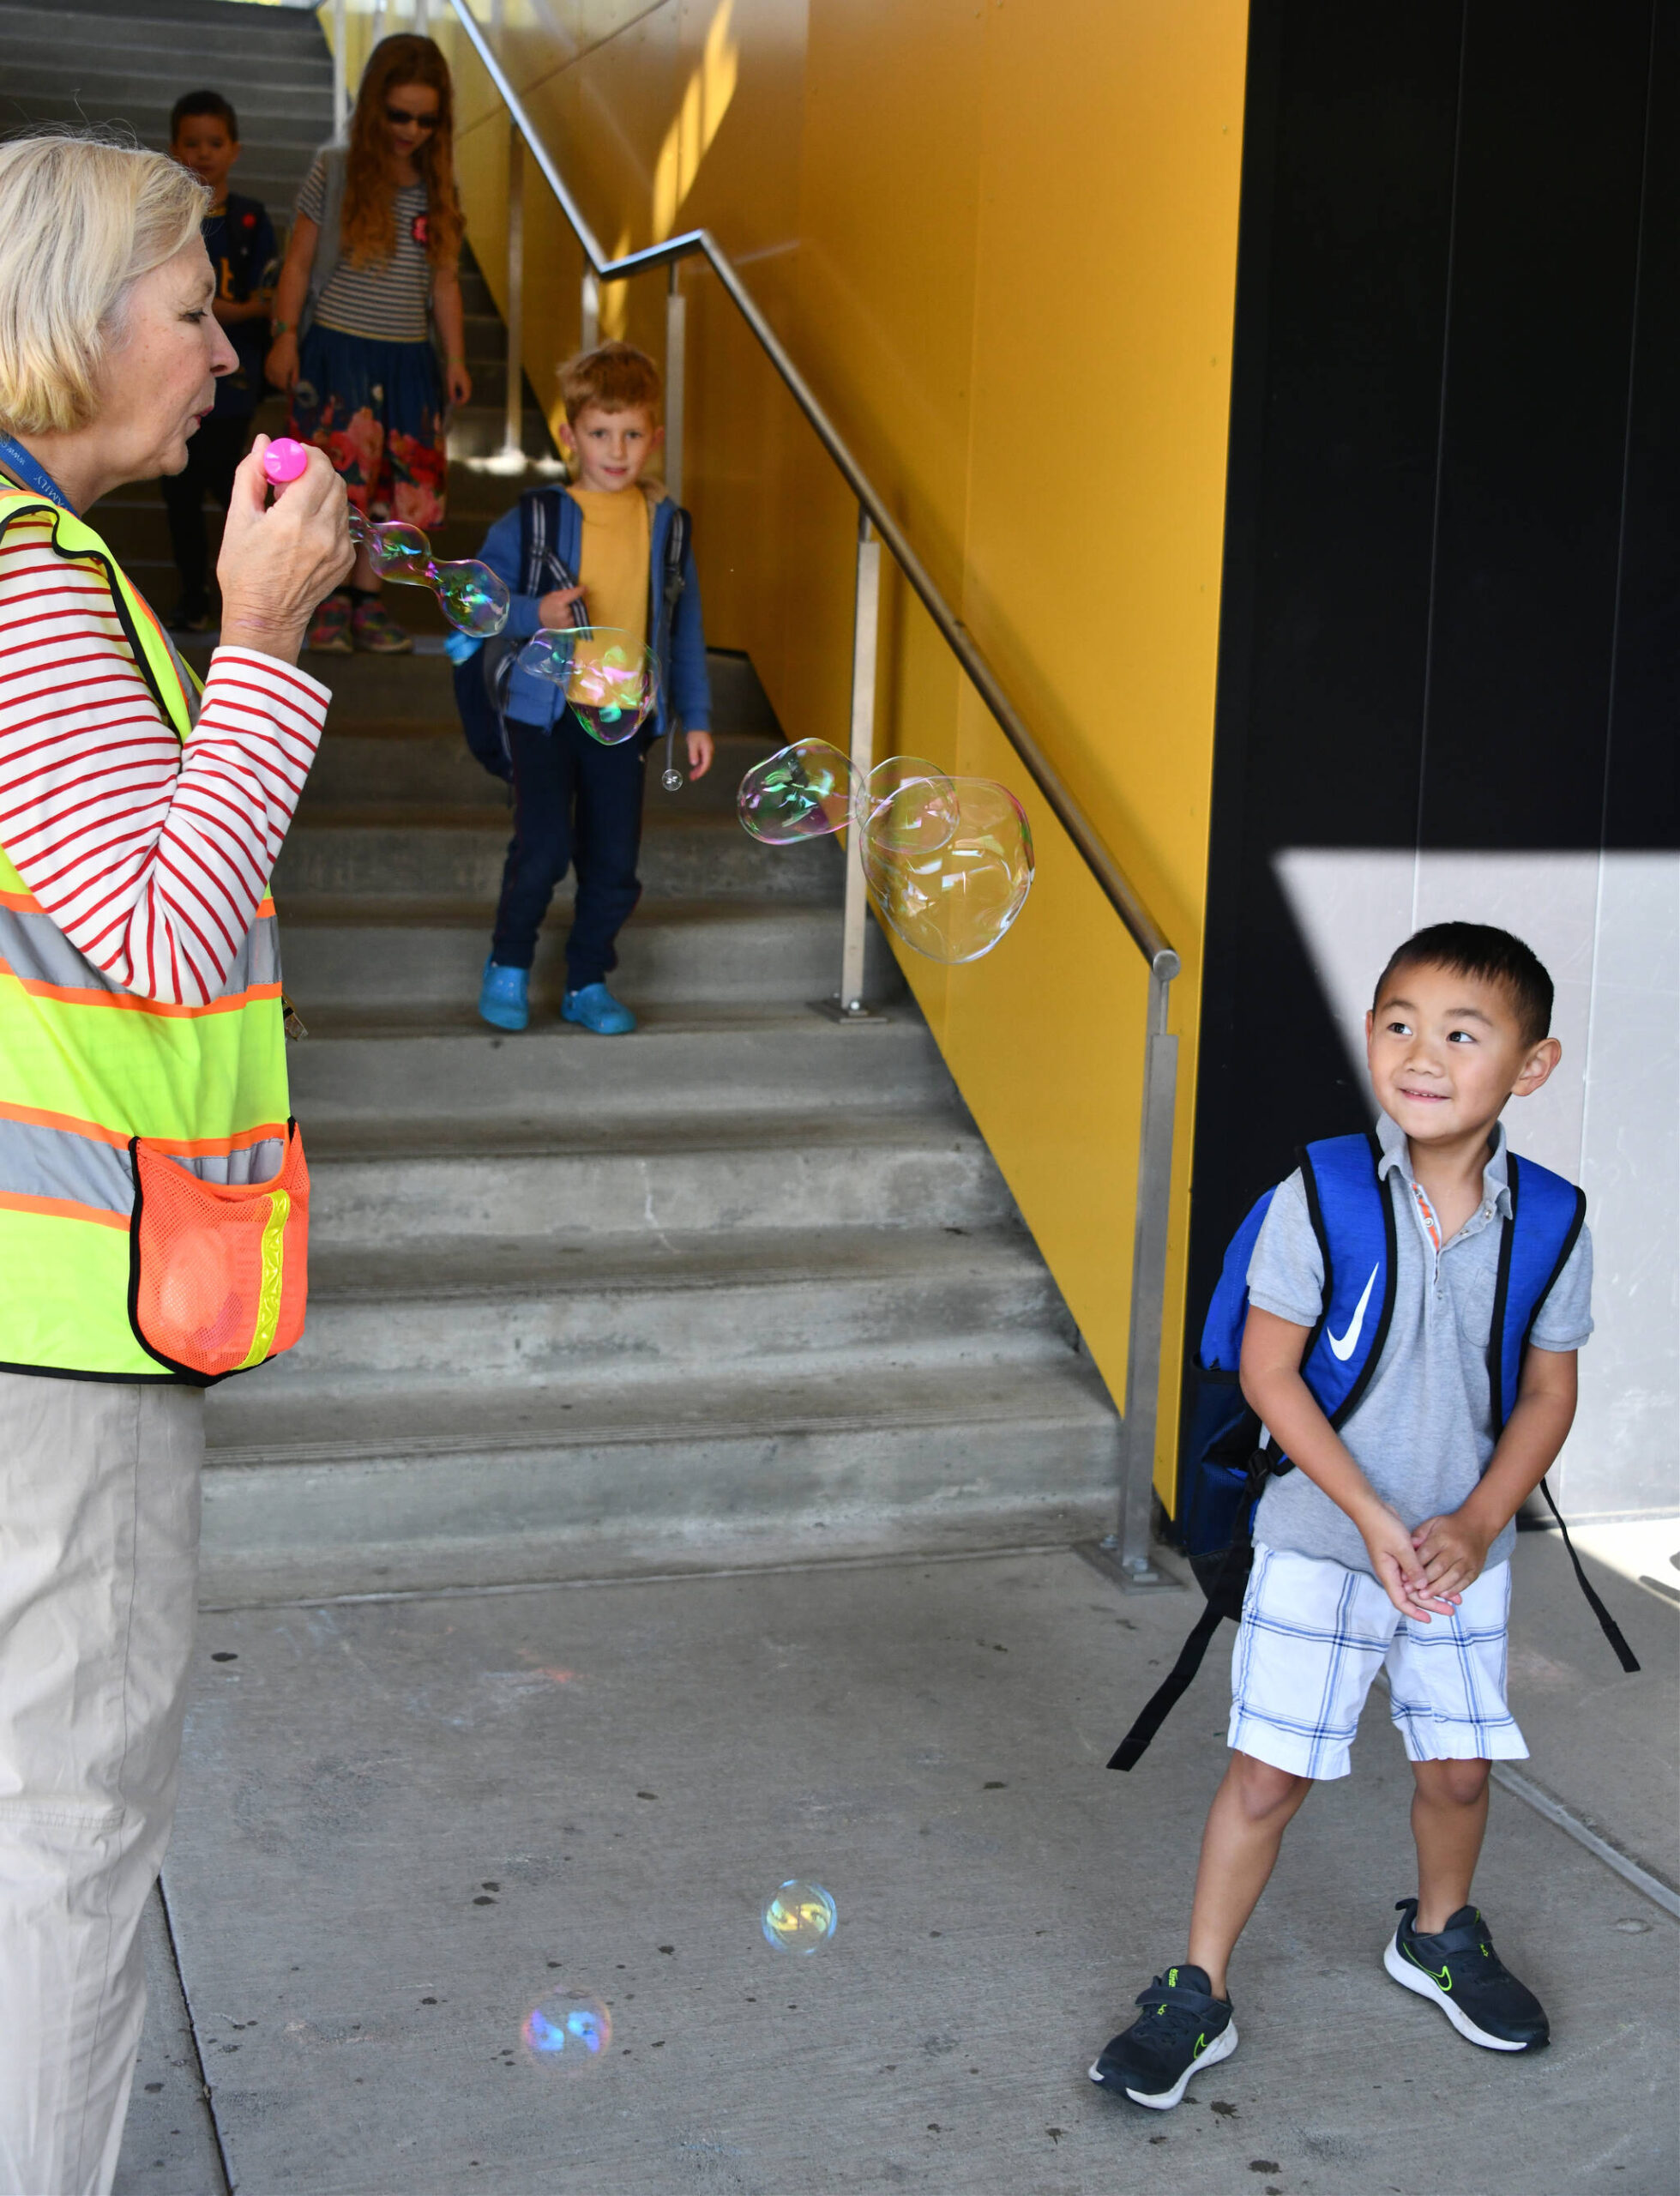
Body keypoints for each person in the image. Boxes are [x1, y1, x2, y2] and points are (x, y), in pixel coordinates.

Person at [0, 135, 350, 2195]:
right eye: (195, 308)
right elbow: (162, 922)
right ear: (67, 309)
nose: (228, 354)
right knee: (66, 1823)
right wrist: (264, 638)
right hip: (60, 1326)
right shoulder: (29, 585)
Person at [1091, 924, 1593, 2110]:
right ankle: (1195, 1991)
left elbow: (1547, 1390)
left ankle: (1435, 1934)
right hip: (1321, 1542)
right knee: (1265, 1777)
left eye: (1459, 1034)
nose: (1419, 1053)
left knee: (1458, 1772)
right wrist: (1368, 1514)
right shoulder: (1314, 1196)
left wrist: (1474, 1522)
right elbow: (1268, 1374)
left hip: (1455, 1553)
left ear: (1530, 1066)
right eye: (1395, 1024)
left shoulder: (1552, 1219)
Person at [473, 341, 713, 1036]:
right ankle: (509, 962)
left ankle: (585, 980)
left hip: (624, 718)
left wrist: (694, 715)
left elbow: (685, 625)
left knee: (614, 863)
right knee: (544, 849)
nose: (617, 449)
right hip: (545, 717)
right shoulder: (537, 517)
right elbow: (476, 598)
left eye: (632, 434)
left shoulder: (667, 526)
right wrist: (534, 614)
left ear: (654, 439)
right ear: (568, 435)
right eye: (600, 433)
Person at [264, 33, 469, 655]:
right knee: (337, 485)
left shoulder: (439, 187)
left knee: (390, 493)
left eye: (426, 119)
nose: (411, 129)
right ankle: (323, 601)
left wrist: (456, 357)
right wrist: (283, 335)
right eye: (398, 114)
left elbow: (443, 281)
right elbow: (297, 263)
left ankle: (365, 601)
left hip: (407, 362)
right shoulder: (337, 168)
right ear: (373, 106)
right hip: (338, 353)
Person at [160, 90, 277, 631]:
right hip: (170, 380)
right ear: (173, 148)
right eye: (191, 142)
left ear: (235, 149)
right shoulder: (164, 218)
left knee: (230, 485)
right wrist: (239, 308)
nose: (203, 154)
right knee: (179, 491)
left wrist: (235, 311)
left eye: (214, 143)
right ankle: (193, 593)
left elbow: (265, 301)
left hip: (234, 383)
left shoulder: (251, 220)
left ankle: (241, 597)